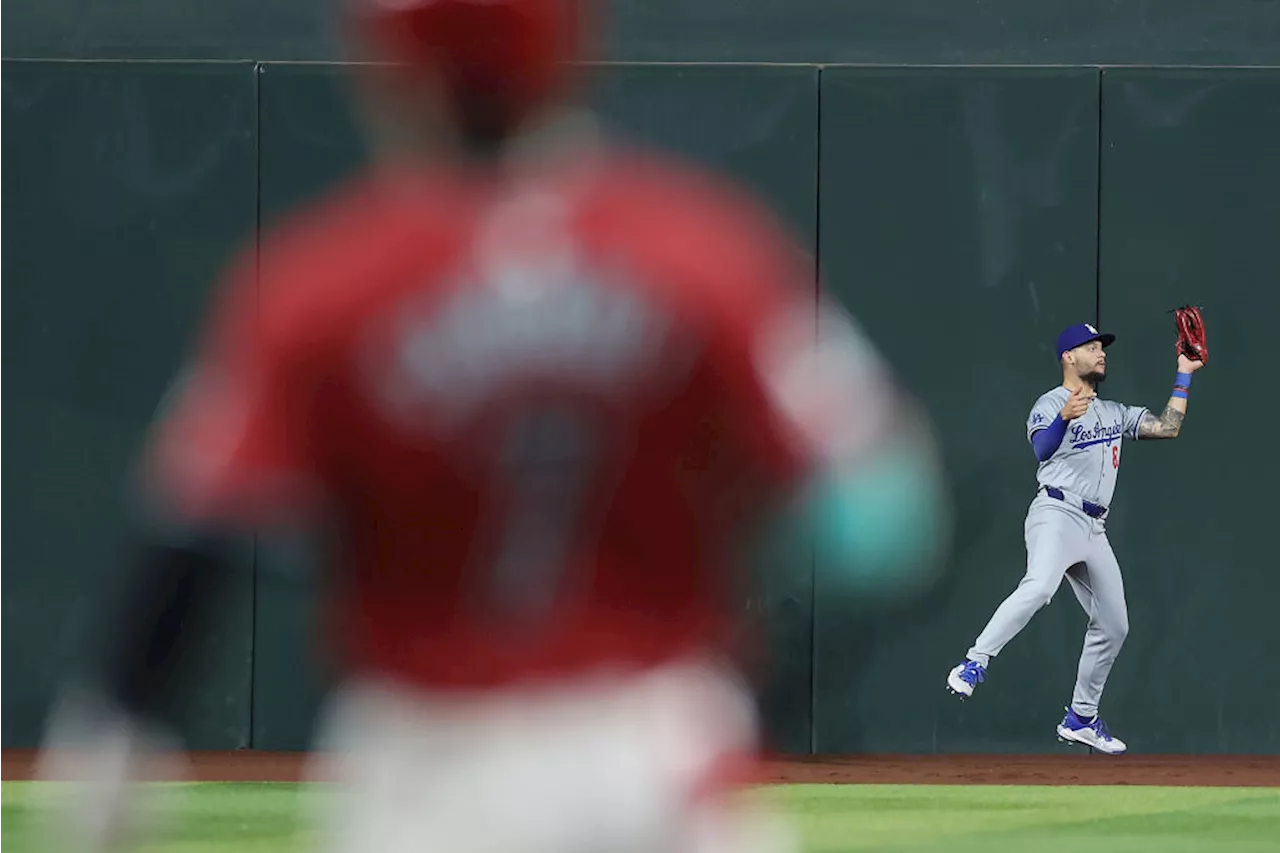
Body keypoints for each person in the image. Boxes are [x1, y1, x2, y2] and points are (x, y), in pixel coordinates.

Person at [36, 1, 950, 850]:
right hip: (651, 750)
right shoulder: (708, 253)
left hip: (427, 767)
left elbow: (195, 529)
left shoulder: (318, 284)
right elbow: (882, 516)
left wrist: (121, 723)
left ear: (400, 70)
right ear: (570, 57)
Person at [945, 322, 1205, 755]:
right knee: (1041, 585)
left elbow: (1167, 427)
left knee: (1115, 625)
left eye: (1101, 346)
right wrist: (1064, 419)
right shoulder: (1049, 403)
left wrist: (1185, 372)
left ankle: (1081, 717)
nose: (1101, 352)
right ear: (1068, 357)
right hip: (1056, 511)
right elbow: (1042, 451)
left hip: (1094, 527)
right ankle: (974, 662)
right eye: (1090, 346)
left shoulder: (1115, 412)